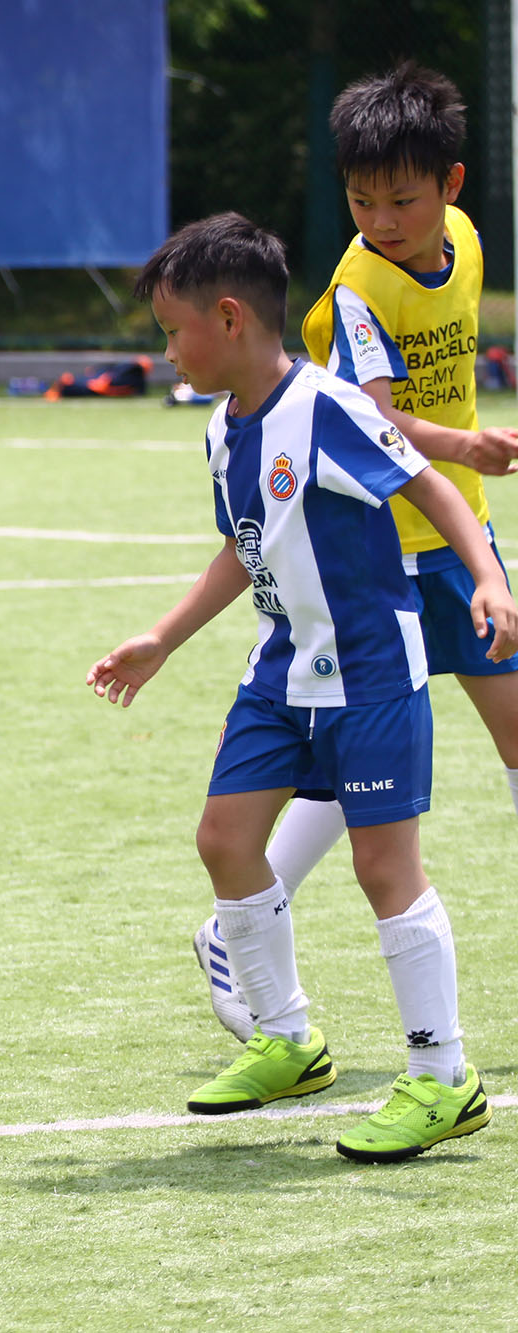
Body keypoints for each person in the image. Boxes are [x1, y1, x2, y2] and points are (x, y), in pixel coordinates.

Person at [89, 213, 516, 1162]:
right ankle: (287, 1038)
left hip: (369, 667)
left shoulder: (324, 408)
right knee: (225, 840)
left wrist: (487, 574)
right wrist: (160, 639)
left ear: (230, 318)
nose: (166, 352)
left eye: (172, 330)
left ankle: (444, 1075)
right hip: (282, 672)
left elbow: (432, 487)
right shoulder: (220, 428)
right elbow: (245, 552)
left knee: (382, 869)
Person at [190, 62, 518, 1043]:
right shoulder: (350, 298)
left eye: (399, 199)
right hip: (375, 559)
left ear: (450, 188)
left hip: (454, 532)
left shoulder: (458, 243)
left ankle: (239, 916)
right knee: (355, 761)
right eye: (358, 199)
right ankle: (235, 923)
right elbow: (377, 429)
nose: (379, 218)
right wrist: (466, 446)